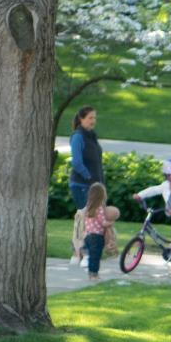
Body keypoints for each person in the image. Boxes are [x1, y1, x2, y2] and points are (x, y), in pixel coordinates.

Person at [67, 105, 103, 262]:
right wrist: (89, 178)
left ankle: (78, 253)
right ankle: (82, 253)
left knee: (86, 219)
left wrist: (100, 184)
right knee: (86, 219)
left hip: (93, 186)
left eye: (94, 118)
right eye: (90, 118)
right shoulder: (78, 136)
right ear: (81, 119)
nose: (93, 121)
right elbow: (77, 162)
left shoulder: (91, 136)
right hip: (82, 185)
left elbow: (97, 163)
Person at [74, 183, 119, 279]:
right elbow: (103, 223)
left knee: (92, 256)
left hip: (88, 236)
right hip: (97, 237)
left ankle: (90, 272)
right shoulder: (100, 208)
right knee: (96, 257)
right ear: (102, 195)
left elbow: (83, 217)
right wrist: (110, 223)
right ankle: (94, 274)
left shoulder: (88, 208)